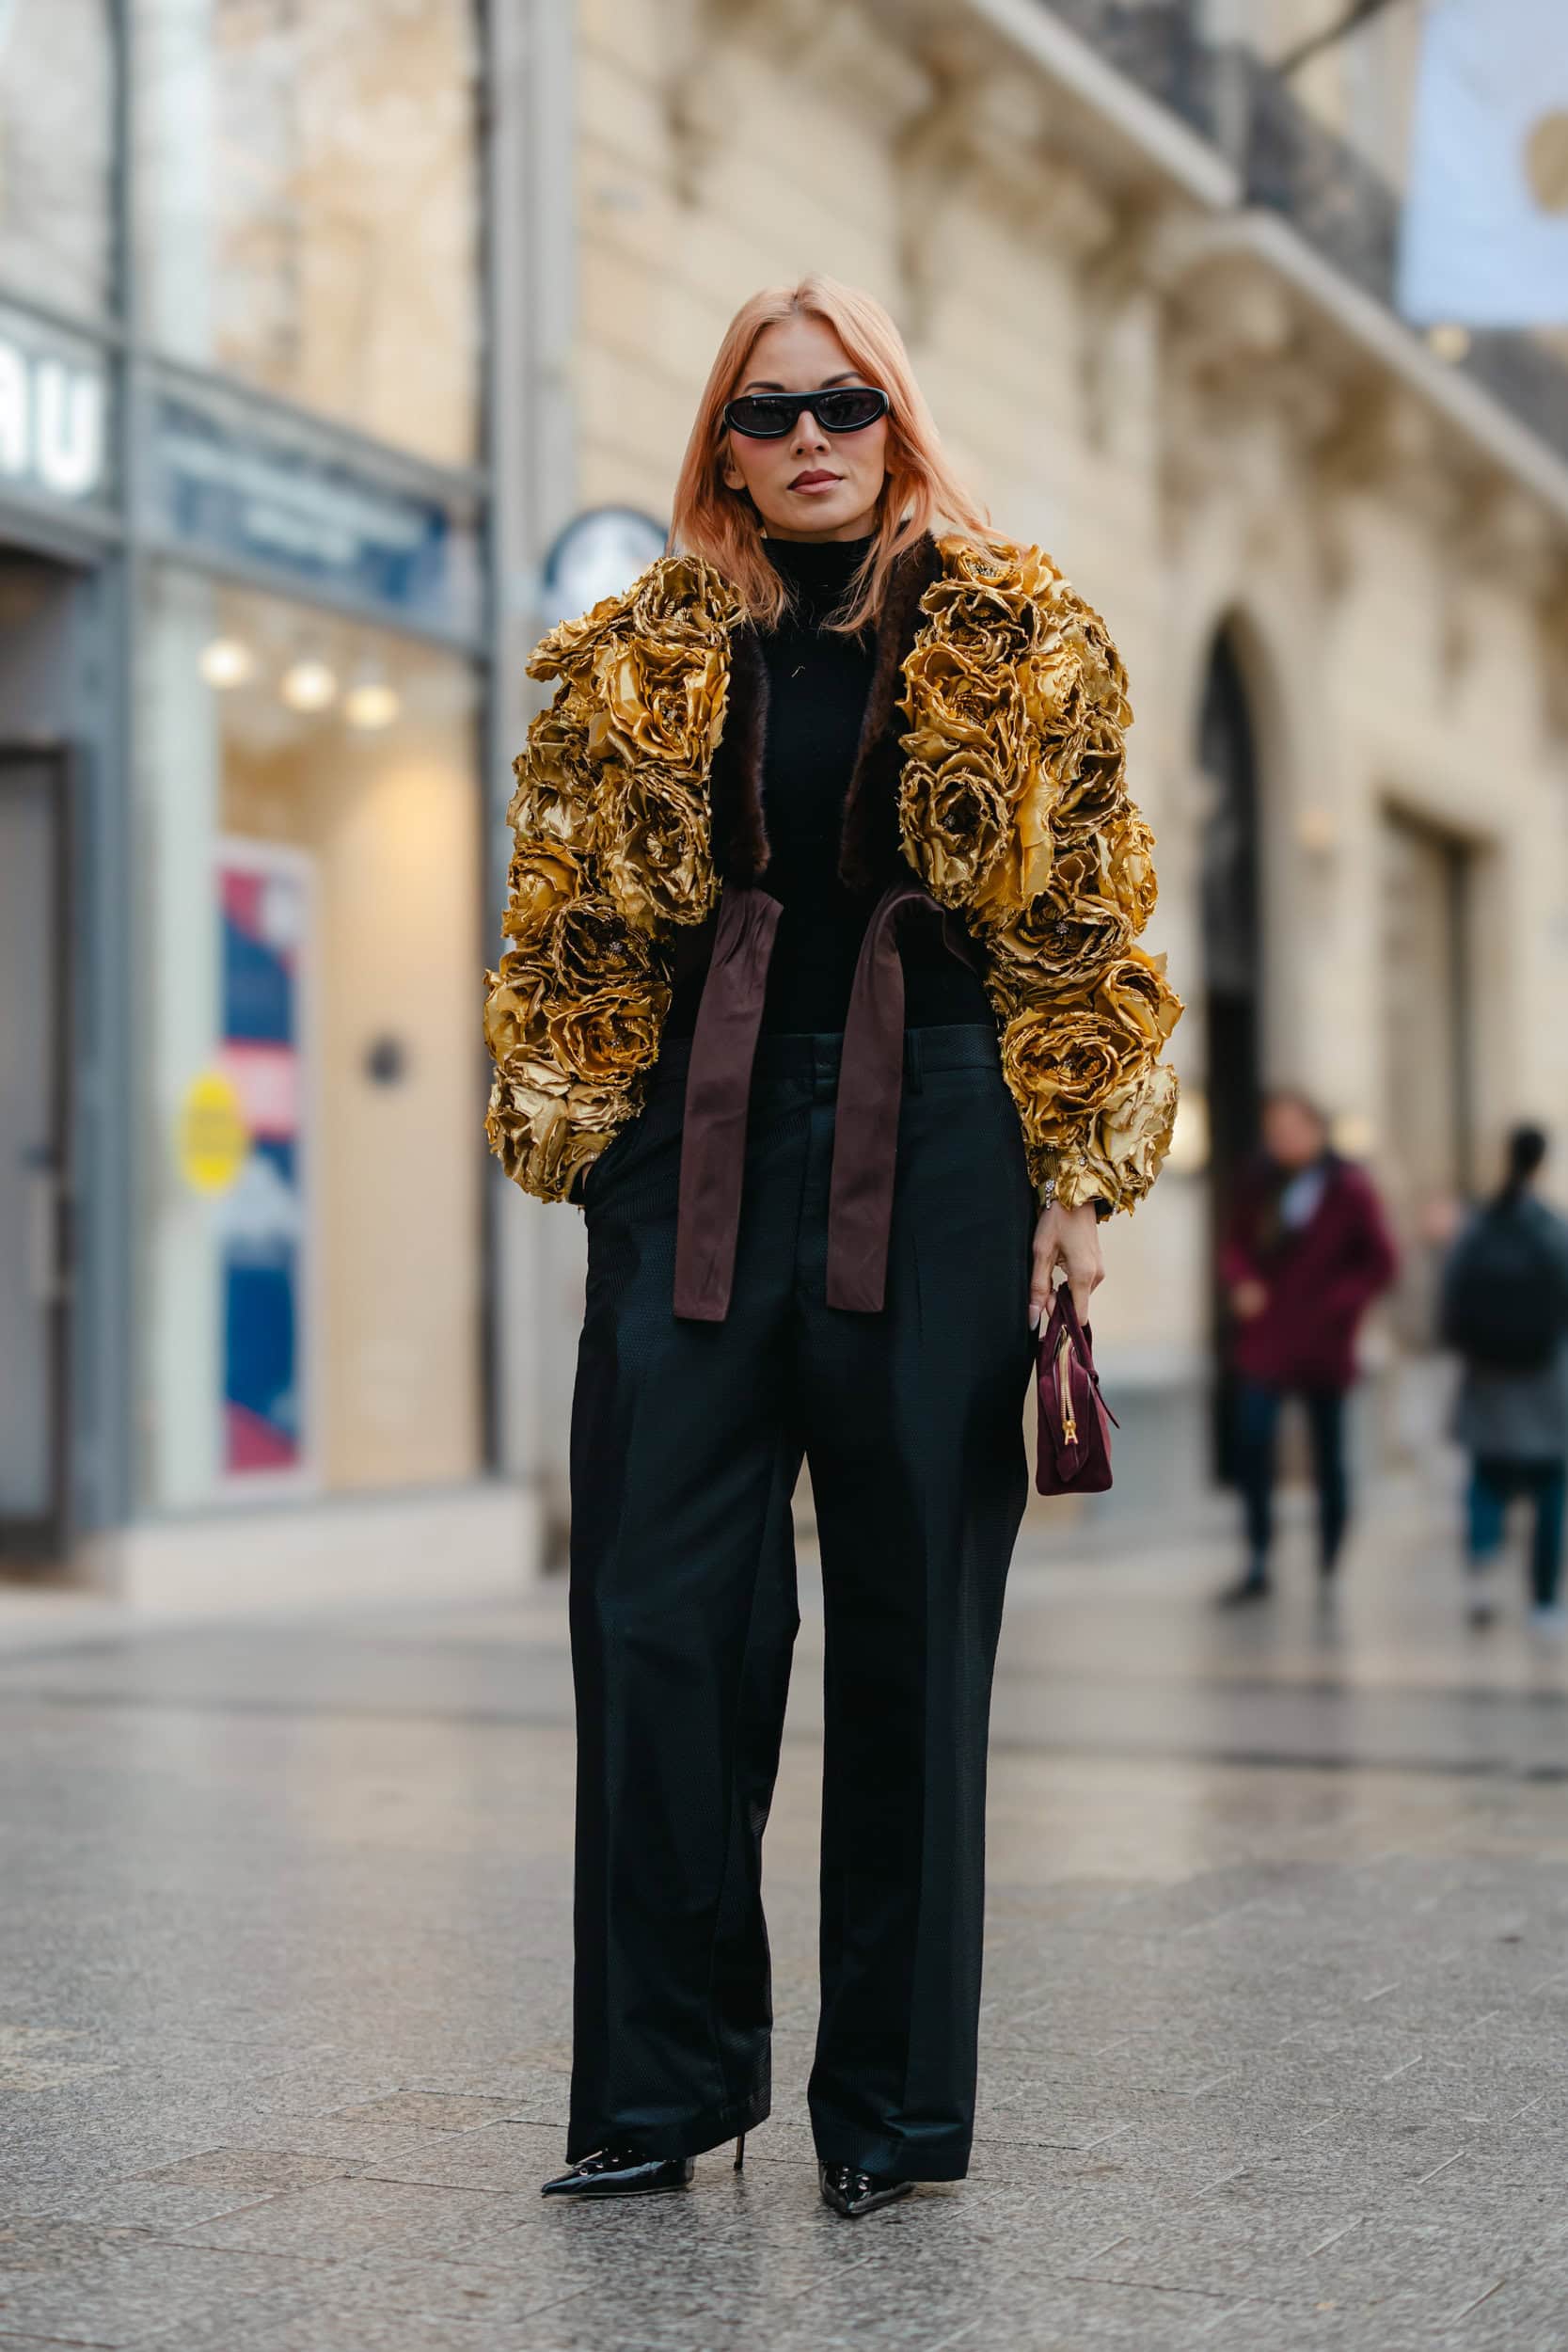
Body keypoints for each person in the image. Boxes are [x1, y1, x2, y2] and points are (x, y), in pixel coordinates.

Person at [483, 276, 1181, 2219]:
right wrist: (592, 1137)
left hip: (943, 1126)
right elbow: (563, 914)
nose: (808, 438)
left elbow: (1084, 914)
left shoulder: (1017, 628)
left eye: (844, 404)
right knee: (654, 1613)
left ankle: (885, 2112)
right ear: (715, 443)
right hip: (691, 1135)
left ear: (895, 421)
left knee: (909, 1621)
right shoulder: (631, 651)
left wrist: (1074, 1180)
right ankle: (655, 2084)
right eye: (766, 411)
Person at [1216, 1089, 1397, 1605]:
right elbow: (1234, 1246)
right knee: (1252, 1441)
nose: (1281, 1141)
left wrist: (1339, 1306)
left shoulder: (1350, 1187)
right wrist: (1242, 1281)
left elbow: (1380, 1263)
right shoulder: (1259, 1182)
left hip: (1325, 1343)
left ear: (1316, 1131)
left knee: (1328, 1453)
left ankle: (1330, 1556)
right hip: (1267, 1338)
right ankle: (1257, 1556)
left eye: (1290, 1130)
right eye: (1274, 1132)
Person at [1440, 1124, 1568, 1632]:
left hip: (1487, 1373)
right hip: (1545, 1374)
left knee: (1486, 1475)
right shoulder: (1554, 1227)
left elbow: (1449, 1299)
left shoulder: (1476, 1226)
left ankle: (1482, 1565)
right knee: (1551, 1485)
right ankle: (1542, 1601)